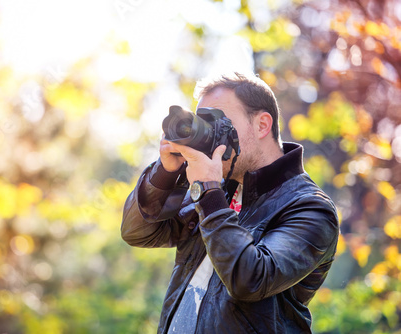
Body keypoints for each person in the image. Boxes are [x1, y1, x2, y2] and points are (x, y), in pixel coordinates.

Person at [121, 72, 339, 333]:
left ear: (262, 125)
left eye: (219, 122)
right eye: (203, 123)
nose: (210, 135)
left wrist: (209, 193)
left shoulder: (310, 207)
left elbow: (250, 279)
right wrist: (166, 173)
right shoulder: (219, 189)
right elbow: (138, 233)